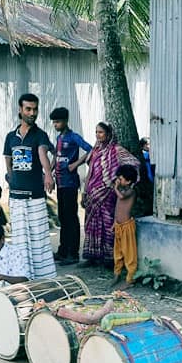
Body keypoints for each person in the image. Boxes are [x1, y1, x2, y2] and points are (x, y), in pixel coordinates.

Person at [4, 93, 56, 280]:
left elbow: (45, 152)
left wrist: (48, 173)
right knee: (19, 241)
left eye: (35, 109)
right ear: (20, 110)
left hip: (35, 196)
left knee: (39, 239)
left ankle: (43, 279)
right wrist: (10, 177)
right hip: (16, 197)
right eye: (28, 109)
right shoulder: (10, 137)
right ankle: (23, 277)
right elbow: (8, 160)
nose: (32, 113)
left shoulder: (40, 135)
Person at [81, 122, 140, 267]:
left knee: (107, 224)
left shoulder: (116, 150)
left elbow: (134, 162)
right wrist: (85, 191)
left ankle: (109, 258)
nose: (98, 135)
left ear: (108, 134)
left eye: (101, 132)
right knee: (91, 224)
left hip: (107, 193)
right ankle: (92, 256)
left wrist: (120, 180)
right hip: (92, 193)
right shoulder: (94, 151)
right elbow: (90, 172)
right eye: (96, 132)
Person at [49, 107, 92, 266]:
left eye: (58, 121)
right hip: (60, 183)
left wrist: (76, 163)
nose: (55, 124)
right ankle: (63, 250)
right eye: (54, 122)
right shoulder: (59, 138)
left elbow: (90, 149)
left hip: (70, 183)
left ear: (66, 121)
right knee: (63, 217)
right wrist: (49, 172)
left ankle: (73, 254)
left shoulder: (74, 137)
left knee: (71, 218)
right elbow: (56, 156)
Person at [111, 164, 139, 289]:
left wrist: (115, 188)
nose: (118, 181)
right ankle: (117, 274)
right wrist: (114, 223)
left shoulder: (131, 191)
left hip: (127, 226)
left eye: (121, 179)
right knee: (118, 252)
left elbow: (121, 197)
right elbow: (118, 208)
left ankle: (130, 278)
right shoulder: (121, 190)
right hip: (118, 225)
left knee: (129, 253)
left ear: (128, 181)